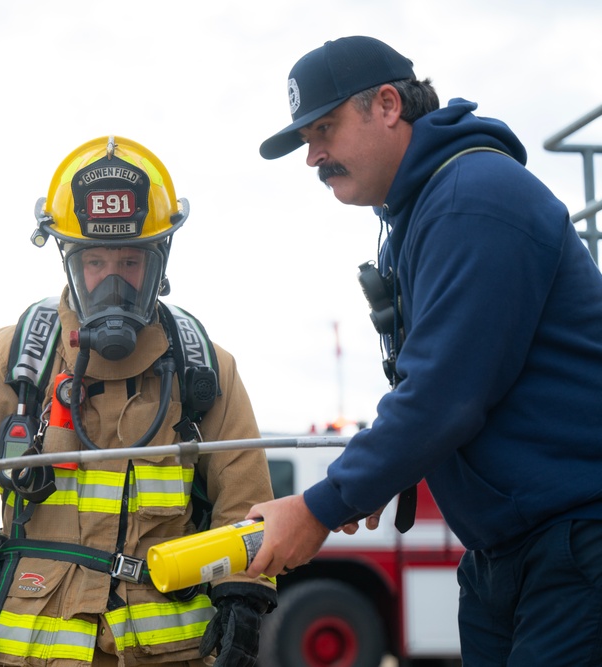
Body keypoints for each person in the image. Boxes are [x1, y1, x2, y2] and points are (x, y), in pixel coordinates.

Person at [248, 35, 602, 666]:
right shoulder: (424, 211)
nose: (313, 157)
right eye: (306, 141)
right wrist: (375, 474)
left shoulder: (474, 197)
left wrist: (320, 507)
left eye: (323, 129)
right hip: (511, 549)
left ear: (387, 105)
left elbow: (445, 394)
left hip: (574, 538)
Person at [0, 136, 276, 667]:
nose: (113, 282)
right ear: (70, 262)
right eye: (96, 262)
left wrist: (243, 599)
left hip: (168, 653)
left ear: (159, 262)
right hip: (30, 651)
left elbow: (244, 507)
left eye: (130, 262)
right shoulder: (12, 363)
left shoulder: (206, 372)